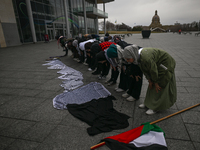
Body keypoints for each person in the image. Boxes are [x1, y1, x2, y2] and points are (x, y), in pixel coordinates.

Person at [122, 45, 177, 115]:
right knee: (151, 84)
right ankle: (148, 103)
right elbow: (144, 70)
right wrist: (150, 80)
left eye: (128, 59)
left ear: (132, 55)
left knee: (159, 85)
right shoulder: (137, 57)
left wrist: (156, 83)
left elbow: (153, 71)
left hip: (165, 65)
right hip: (157, 65)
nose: (127, 61)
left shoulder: (145, 58)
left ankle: (155, 107)